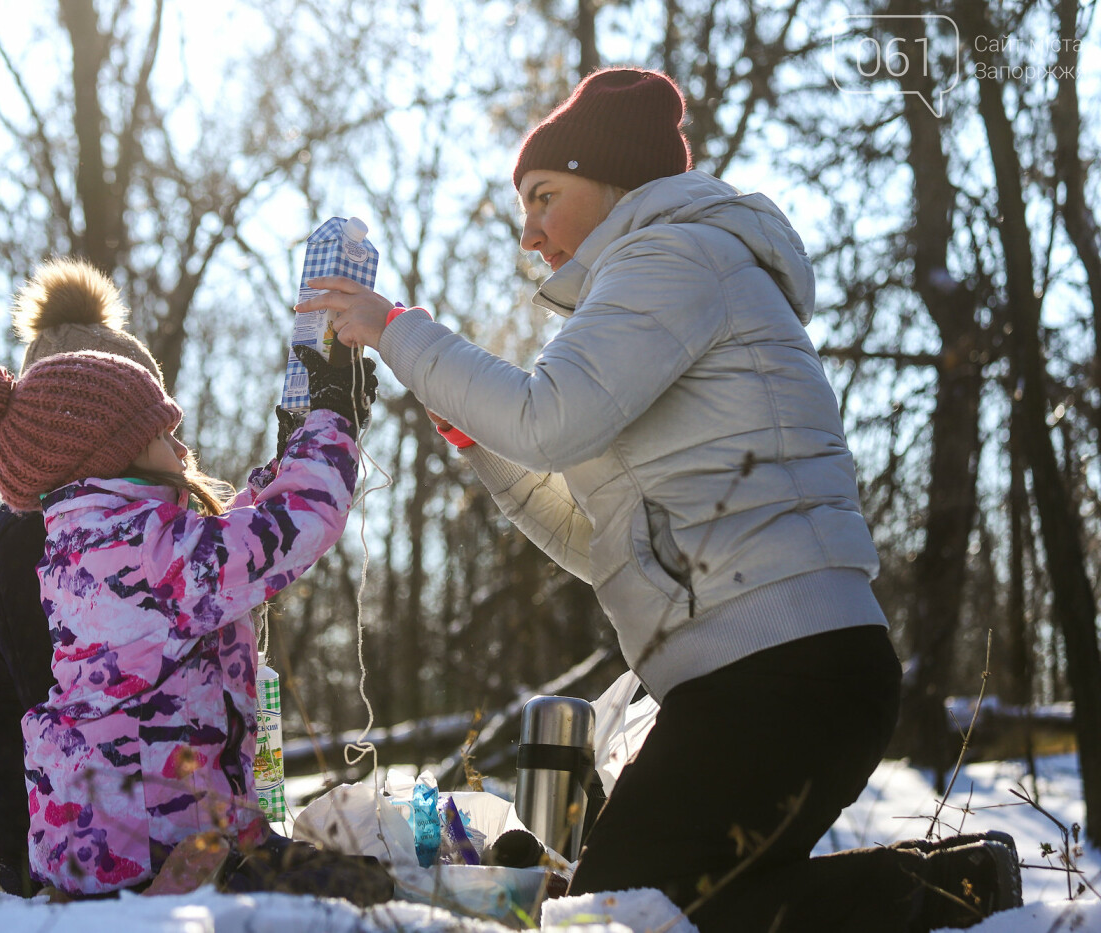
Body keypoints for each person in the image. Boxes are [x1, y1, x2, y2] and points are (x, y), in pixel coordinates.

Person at [296, 68, 1023, 932]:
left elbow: (545, 416)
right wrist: (474, 437)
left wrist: (395, 327)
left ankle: (964, 894)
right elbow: (598, 533)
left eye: (543, 196)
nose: (530, 234)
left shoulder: (676, 256)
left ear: (612, 179)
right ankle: (959, 887)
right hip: (766, 675)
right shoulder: (651, 284)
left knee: (623, 916)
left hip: (783, 668)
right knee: (664, 908)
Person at [0, 340, 380, 898]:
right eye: (162, 434)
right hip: (147, 852)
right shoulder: (146, 550)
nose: (181, 449)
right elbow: (288, 529)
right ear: (115, 451)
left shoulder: (94, 539)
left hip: (106, 838)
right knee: (359, 892)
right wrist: (333, 421)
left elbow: (227, 542)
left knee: (346, 881)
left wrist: (297, 444)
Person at [0, 258, 169, 896]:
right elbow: (40, 697)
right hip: (54, 837)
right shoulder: (37, 532)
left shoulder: (112, 520)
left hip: (88, 825)